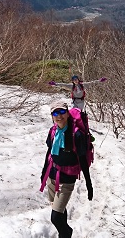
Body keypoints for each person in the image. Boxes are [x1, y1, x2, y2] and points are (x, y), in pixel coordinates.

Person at [40, 100, 93, 238]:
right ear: (52, 116)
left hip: (67, 178)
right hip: (52, 175)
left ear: (68, 114)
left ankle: (66, 233)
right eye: (55, 113)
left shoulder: (77, 135)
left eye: (62, 112)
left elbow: (82, 160)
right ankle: (63, 234)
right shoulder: (53, 131)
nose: (59, 116)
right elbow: (49, 153)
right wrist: (43, 174)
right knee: (59, 211)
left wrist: (89, 183)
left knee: (55, 217)